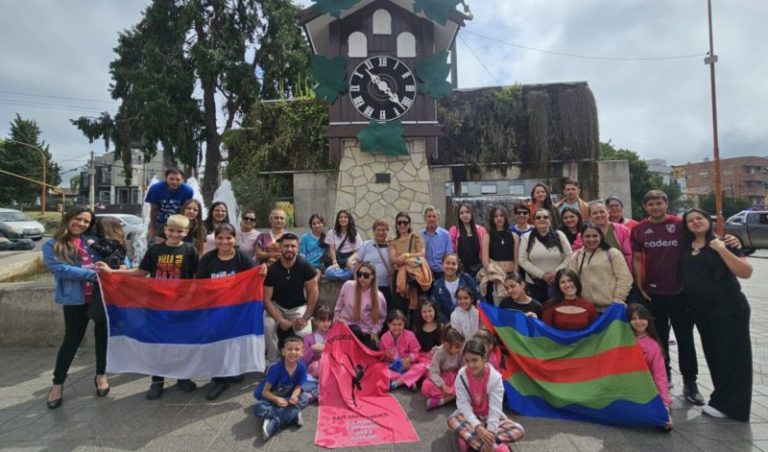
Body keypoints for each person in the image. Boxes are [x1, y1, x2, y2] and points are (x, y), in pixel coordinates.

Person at [96, 214, 199, 399]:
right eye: (172, 230)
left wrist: (190, 298)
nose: (175, 234)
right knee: (157, 342)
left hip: (180, 305)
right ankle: (157, 380)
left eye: (180, 231)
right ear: (166, 230)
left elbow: (195, 278)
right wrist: (113, 272)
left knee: (180, 342)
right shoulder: (155, 250)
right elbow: (142, 271)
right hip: (156, 305)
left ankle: (182, 376)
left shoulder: (190, 251)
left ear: (186, 232)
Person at [630, 190, 703, 404]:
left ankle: (691, 382)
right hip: (653, 293)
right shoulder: (640, 229)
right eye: (650, 204)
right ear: (645, 207)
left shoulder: (680, 225)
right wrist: (640, 285)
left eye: (658, 203)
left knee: (685, 338)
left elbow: (702, 238)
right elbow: (636, 259)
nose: (655, 207)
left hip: (680, 292)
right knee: (658, 337)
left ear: (666, 203)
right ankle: (665, 374)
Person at [681, 208, 753, 421]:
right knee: (715, 355)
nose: (695, 222)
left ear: (708, 220)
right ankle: (721, 399)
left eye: (699, 218)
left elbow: (745, 272)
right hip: (703, 312)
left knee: (734, 357)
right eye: (690, 220)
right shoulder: (688, 247)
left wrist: (722, 249)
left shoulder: (726, 242)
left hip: (729, 308)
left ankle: (736, 407)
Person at [42, 207, 109, 409]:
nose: (81, 224)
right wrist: (94, 275)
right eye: (78, 219)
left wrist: (117, 268)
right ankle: (57, 383)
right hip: (75, 301)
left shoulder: (94, 242)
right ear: (69, 218)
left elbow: (113, 256)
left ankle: (101, 375)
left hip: (100, 298)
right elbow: (60, 269)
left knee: (103, 339)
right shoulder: (53, 244)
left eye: (86, 221)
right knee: (71, 341)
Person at [195, 223, 254, 400]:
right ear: (216, 239)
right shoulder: (207, 259)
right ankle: (219, 379)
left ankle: (231, 371)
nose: (224, 241)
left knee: (233, 342)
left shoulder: (242, 258)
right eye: (220, 237)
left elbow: (253, 279)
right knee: (217, 344)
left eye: (228, 237)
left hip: (236, 310)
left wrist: (262, 271)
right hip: (214, 310)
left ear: (234, 239)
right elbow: (200, 285)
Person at [447, 339, 525, 452]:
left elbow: (495, 409)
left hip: (491, 419)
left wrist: (490, 433)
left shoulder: (495, 378)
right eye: (467, 361)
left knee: (518, 430)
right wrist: (478, 428)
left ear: (484, 358)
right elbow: (463, 405)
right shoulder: (461, 376)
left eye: (474, 360)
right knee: (452, 420)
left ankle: (476, 443)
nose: (470, 365)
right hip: (470, 419)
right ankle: (493, 447)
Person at [263, 232, 320, 365]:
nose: (289, 249)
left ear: (298, 248)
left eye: (293, 246)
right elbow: (266, 299)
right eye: (286, 246)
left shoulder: (305, 266)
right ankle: (273, 361)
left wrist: (305, 317)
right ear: (280, 247)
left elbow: (314, 293)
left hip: (298, 307)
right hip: (277, 306)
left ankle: (302, 363)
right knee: (268, 325)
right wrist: (279, 319)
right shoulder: (273, 269)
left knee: (305, 335)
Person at [253, 335, 310, 441]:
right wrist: (276, 399)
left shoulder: (302, 367)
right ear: (283, 351)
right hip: (271, 398)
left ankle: (272, 422)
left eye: (297, 349)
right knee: (258, 408)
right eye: (289, 349)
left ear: (302, 352)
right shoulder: (275, 369)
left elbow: (298, 386)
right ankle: (292, 414)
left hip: (287, 398)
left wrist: (294, 396)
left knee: (305, 399)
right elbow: (265, 392)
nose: (293, 352)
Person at [627, 304, 673, 430]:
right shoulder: (622, 340)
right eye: (634, 318)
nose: (638, 322)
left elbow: (660, 375)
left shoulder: (653, 346)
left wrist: (664, 404)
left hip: (645, 388)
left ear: (648, 320)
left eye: (642, 318)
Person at [568, 223, 632, 312]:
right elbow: (572, 281)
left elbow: (625, 278)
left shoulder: (613, 253)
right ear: (582, 238)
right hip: (587, 309)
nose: (591, 239)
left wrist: (618, 299)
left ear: (601, 237)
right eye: (587, 236)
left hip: (611, 308)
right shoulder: (576, 256)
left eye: (595, 236)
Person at [519, 208, 573, 302]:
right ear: (534, 221)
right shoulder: (526, 237)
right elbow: (522, 260)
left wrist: (556, 273)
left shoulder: (559, 235)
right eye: (538, 217)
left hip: (558, 281)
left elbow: (569, 256)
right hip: (534, 284)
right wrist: (542, 275)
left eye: (545, 217)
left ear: (550, 220)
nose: (542, 219)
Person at [334, 262, 387, 350]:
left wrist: (375, 331)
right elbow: (338, 307)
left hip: (366, 331)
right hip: (346, 326)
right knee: (356, 330)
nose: (362, 278)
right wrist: (337, 320)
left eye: (366, 275)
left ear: (372, 276)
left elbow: (381, 317)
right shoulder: (348, 285)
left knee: (372, 347)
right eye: (360, 274)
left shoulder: (378, 296)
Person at [390, 212, 428, 325]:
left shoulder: (416, 237)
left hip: (414, 276)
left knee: (415, 308)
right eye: (399, 222)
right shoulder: (393, 241)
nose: (402, 225)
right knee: (400, 308)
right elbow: (393, 259)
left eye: (405, 222)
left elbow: (421, 254)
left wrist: (405, 256)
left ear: (409, 223)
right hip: (399, 278)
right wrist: (407, 258)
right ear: (396, 224)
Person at [573, 201, 633, 270]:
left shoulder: (622, 230)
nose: (599, 215)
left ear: (608, 213)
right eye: (595, 213)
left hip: (618, 271)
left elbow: (628, 254)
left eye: (602, 212)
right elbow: (576, 253)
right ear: (589, 217)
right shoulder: (584, 234)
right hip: (592, 273)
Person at [481, 206, 519, 304]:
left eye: (501, 215)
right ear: (492, 219)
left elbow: (516, 259)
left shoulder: (514, 236)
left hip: (511, 277)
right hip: (495, 278)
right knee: (496, 307)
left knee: (511, 305)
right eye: (496, 216)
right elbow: (485, 260)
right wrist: (496, 277)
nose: (499, 218)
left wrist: (514, 277)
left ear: (505, 217)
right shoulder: (487, 236)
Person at [145, 167, 194, 242]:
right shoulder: (155, 188)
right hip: (159, 222)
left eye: (178, 180)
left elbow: (184, 210)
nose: (174, 182)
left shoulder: (187, 191)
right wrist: (153, 227)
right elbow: (153, 209)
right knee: (153, 244)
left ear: (182, 180)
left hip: (178, 222)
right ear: (165, 178)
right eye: (171, 179)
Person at [423, 326, 466, 411]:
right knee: (426, 386)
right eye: (457, 347)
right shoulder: (440, 352)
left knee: (466, 383)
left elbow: (464, 369)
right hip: (443, 379)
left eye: (460, 346)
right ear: (447, 345)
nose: (459, 349)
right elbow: (434, 372)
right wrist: (442, 385)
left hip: (456, 378)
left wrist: (457, 382)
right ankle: (454, 396)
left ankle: (443, 400)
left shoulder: (460, 352)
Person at [354, 219, 394, 306]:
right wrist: (356, 281)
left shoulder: (392, 245)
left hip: (386, 286)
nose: (380, 232)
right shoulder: (366, 245)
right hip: (367, 286)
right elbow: (358, 263)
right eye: (378, 230)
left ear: (387, 231)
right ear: (374, 231)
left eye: (383, 230)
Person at [380, 310, 423, 390]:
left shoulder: (410, 335)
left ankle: (397, 382)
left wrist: (409, 359)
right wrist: (385, 355)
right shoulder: (384, 337)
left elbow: (416, 352)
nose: (397, 327)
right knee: (377, 369)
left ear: (404, 324)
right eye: (394, 324)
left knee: (421, 367)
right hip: (392, 367)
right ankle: (408, 381)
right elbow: (380, 355)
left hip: (406, 366)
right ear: (388, 324)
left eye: (400, 324)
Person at [433, 253, 481, 323]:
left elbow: (479, 298)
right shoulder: (437, 285)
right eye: (447, 263)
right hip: (449, 324)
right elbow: (437, 309)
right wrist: (448, 325)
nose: (450, 266)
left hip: (470, 320)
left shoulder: (466, 279)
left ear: (458, 266)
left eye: (453, 264)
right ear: (442, 265)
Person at [301, 306, 333, 403]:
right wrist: (312, 349)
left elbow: (339, 354)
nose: (326, 323)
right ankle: (319, 392)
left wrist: (327, 349)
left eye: (329, 320)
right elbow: (303, 360)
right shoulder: (308, 338)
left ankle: (313, 393)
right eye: (322, 320)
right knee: (316, 367)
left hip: (330, 369)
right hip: (314, 370)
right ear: (315, 321)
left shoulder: (334, 335)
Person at [449, 203, 487, 277]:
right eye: (461, 213)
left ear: (471, 213)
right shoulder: (454, 230)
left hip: (478, 269)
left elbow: (485, 251)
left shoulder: (481, 230)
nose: (464, 215)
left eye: (467, 212)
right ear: (459, 216)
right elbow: (451, 251)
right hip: (460, 270)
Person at [324, 210, 362, 281]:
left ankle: (345, 275)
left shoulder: (355, 233)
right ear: (338, 220)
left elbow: (357, 252)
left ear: (349, 219)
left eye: (345, 217)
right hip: (337, 259)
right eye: (340, 217)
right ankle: (345, 275)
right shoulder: (332, 232)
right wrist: (334, 262)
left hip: (350, 260)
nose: (343, 219)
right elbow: (331, 249)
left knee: (354, 270)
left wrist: (350, 259)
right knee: (328, 272)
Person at [422, 206, 453, 281]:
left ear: (438, 218)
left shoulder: (445, 234)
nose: (431, 219)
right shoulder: (420, 235)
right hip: (425, 272)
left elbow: (449, 253)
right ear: (425, 218)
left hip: (441, 272)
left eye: (434, 216)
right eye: (429, 216)